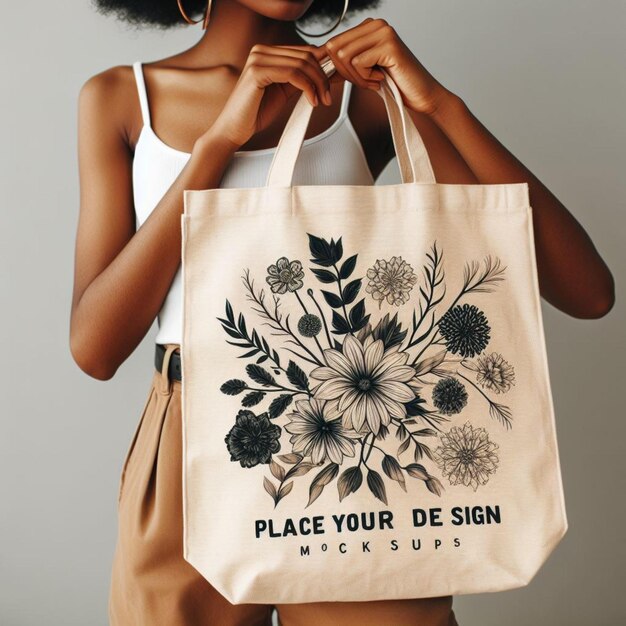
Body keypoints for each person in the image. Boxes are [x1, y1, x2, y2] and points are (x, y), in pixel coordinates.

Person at [70, 1, 615, 624]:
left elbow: (587, 292)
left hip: (359, 447)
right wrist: (219, 142)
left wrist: (438, 104)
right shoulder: (121, 97)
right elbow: (96, 348)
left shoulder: (361, 99)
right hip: (185, 454)